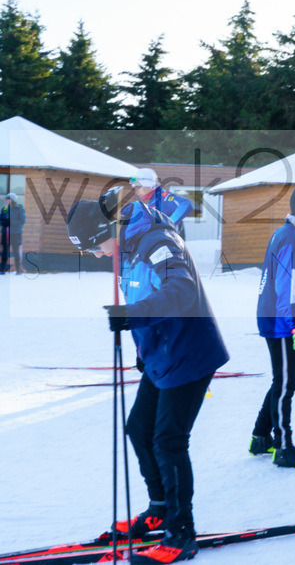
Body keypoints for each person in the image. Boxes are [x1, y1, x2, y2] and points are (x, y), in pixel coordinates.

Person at [66, 189, 229, 564]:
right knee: (139, 429)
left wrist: (132, 314)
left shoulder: (159, 242)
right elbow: (142, 293)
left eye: (94, 247)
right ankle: (159, 507)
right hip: (162, 355)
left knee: (168, 440)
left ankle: (181, 531)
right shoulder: (130, 245)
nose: (97, 255)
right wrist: (142, 344)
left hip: (189, 354)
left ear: (108, 230)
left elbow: (181, 291)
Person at [250, 184, 295, 469]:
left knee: (280, 381)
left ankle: (260, 437)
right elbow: (288, 287)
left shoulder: (285, 235)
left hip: (274, 316)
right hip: (281, 320)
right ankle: (283, 448)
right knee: (285, 384)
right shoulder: (292, 239)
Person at [131, 168, 194, 237]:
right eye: (135, 188)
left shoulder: (163, 196)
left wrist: (169, 223)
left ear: (150, 185)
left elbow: (186, 204)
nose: (136, 192)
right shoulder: (151, 203)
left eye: (139, 187)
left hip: (172, 244)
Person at [4, 194, 24, 274]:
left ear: (12, 200)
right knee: (5, 251)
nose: (6, 201)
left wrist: (11, 222)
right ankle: (3, 269)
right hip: (7, 233)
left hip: (16, 233)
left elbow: (22, 221)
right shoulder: (5, 209)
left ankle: (18, 269)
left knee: (16, 252)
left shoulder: (19, 208)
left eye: (8, 199)